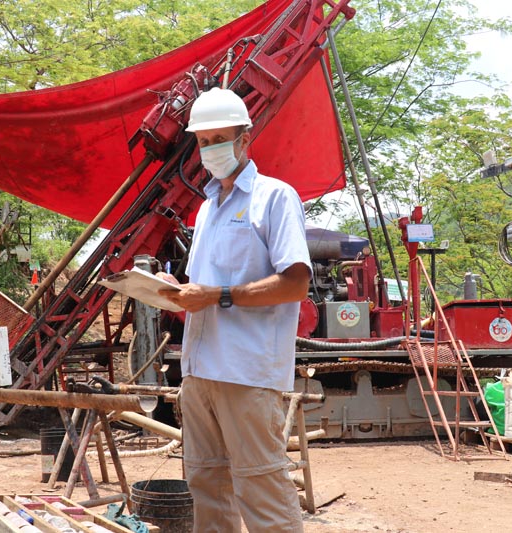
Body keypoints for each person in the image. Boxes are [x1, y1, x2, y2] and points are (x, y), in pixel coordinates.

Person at [158, 88, 312, 532]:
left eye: (220, 138)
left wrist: (218, 295)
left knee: (260, 488)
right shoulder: (207, 209)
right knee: (207, 487)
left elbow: (296, 283)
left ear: (245, 139)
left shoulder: (274, 198)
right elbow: (203, 289)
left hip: (247, 371)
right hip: (200, 369)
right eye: (203, 142)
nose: (211, 150)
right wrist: (174, 290)